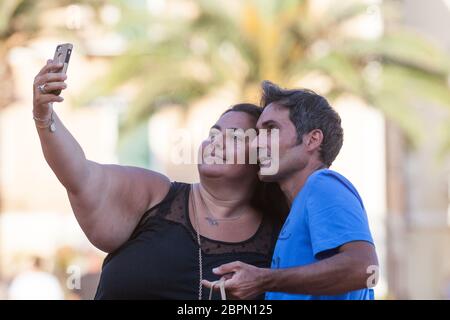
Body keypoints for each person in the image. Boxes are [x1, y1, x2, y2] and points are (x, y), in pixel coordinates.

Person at [32, 60, 288, 299]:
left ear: (261, 157)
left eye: (234, 138)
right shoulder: (157, 194)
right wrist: (44, 116)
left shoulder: (280, 235)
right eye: (213, 134)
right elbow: (79, 173)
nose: (215, 143)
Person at [203, 81, 379, 300]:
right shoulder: (300, 206)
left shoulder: (324, 184)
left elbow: (365, 269)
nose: (256, 144)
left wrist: (263, 280)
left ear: (312, 140)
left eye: (271, 130)